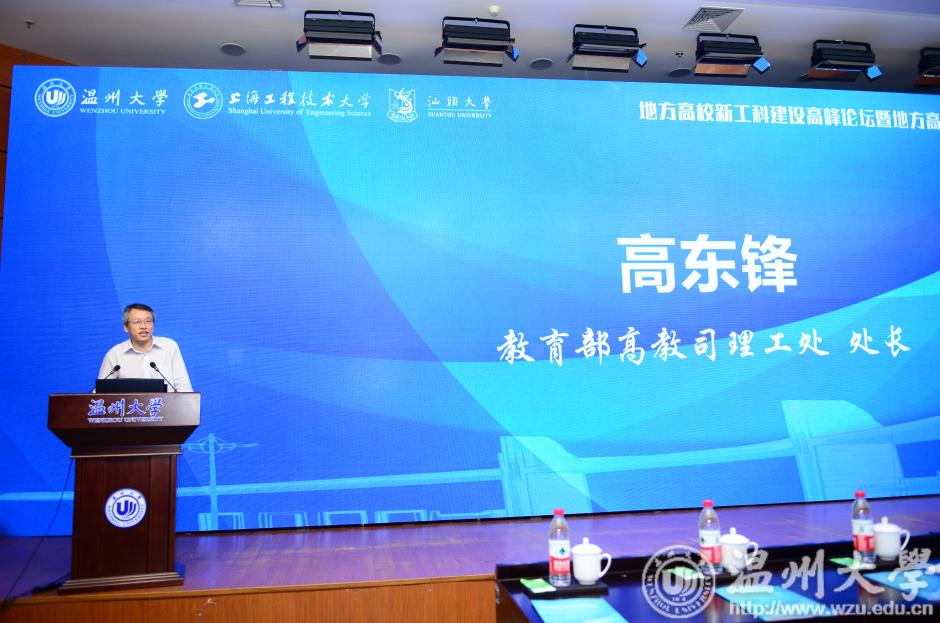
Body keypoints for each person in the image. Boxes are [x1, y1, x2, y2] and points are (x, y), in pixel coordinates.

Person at [98, 303, 192, 392]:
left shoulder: (169, 347)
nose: (143, 326)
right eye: (137, 322)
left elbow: (183, 385)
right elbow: (102, 393)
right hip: (131, 404)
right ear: (126, 327)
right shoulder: (115, 354)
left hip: (167, 403)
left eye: (148, 321)